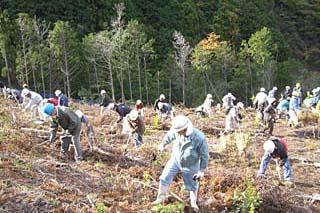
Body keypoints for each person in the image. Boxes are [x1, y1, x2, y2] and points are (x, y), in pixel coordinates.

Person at [154, 115, 209, 211]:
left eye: (180, 131)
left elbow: (204, 155)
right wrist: (163, 144)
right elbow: (169, 136)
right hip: (175, 160)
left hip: (190, 165)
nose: (177, 133)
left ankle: (193, 203)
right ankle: (160, 198)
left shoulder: (199, 138)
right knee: (164, 178)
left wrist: (201, 170)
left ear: (185, 129)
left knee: (192, 185)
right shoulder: (177, 132)